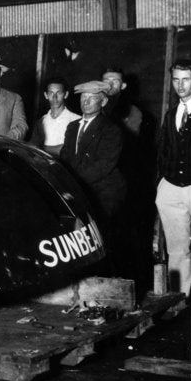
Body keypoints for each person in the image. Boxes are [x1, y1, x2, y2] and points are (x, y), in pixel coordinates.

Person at [61, 81, 125, 273]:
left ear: (103, 102)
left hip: (103, 192)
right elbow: (65, 157)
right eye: (83, 98)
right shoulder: (72, 127)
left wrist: (73, 184)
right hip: (78, 188)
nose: (86, 102)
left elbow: (102, 166)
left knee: (100, 239)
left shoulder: (111, 129)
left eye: (91, 98)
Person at [155, 59, 191, 296]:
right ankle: (180, 299)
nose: (180, 85)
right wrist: (163, 182)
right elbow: (163, 150)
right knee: (177, 249)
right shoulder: (172, 114)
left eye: (186, 79)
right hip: (171, 187)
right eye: (176, 80)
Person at [29, 77, 80, 157]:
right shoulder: (42, 121)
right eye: (51, 93)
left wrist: (41, 149)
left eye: (58, 93)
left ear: (66, 94)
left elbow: (70, 150)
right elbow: (32, 148)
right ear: (46, 95)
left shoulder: (76, 120)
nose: (54, 97)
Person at [102, 67, 144, 138]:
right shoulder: (90, 105)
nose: (110, 85)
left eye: (115, 81)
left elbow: (129, 140)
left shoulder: (133, 111)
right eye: (106, 81)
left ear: (123, 86)